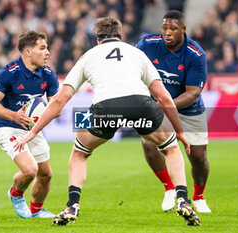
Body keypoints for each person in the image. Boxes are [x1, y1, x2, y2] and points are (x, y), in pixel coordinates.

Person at [14, 17, 201, 226]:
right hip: (141, 104)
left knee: (79, 153)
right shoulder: (136, 53)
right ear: (119, 36)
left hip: (105, 108)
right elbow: (164, 97)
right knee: (171, 148)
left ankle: (72, 205)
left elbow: (60, 100)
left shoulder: (88, 56)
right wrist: (180, 131)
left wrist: (33, 131)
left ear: (97, 40)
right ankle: (183, 199)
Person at [136, 10, 211, 213]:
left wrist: (166, 104)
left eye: (173, 29)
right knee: (149, 144)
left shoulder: (196, 54)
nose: (167, 33)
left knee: (198, 157)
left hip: (189, 110)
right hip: (158, 107)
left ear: (183, 30)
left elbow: (193, 93)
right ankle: (170, 188)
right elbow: (132, 69)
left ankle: (199, 196)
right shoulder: (147, 44)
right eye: (165, 28)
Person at [0, 31, 59, 219]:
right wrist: (14, 116)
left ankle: (36, 210)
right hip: (7, 127)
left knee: (46, 174)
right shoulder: (8, 73)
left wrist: (47, 113)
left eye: (47, 47)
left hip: (31, 128)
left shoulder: (48, 74)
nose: (48, 52)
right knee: (30, 170)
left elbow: (56, 106)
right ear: (28, 52)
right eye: (42, 48)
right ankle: (16, 194)